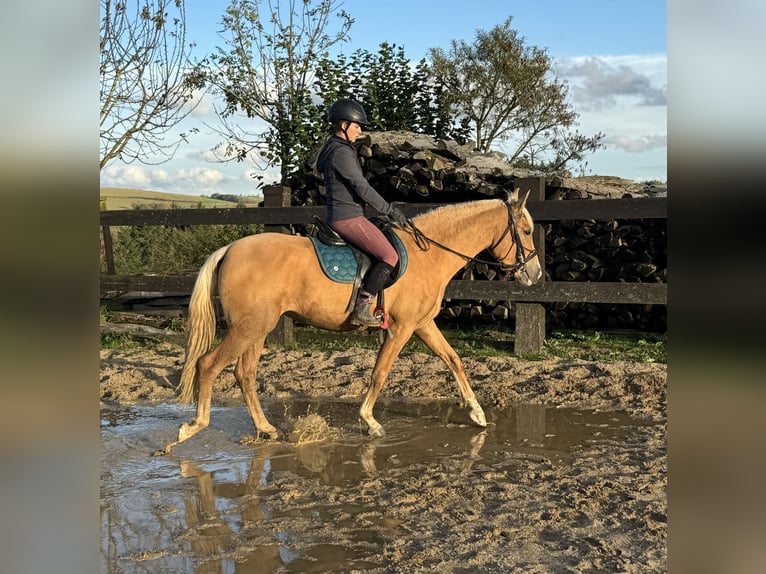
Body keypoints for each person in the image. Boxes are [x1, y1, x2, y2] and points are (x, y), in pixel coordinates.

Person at [316, 98, 408, 326]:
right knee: (389, 256)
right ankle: (362, 307)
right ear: (344, 125)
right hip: (347, 218)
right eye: (357, 126)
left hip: (343, 214)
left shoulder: (333, 149)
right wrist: (389, 210)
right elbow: (361, 186)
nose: (360, 131)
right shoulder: (341, 152)